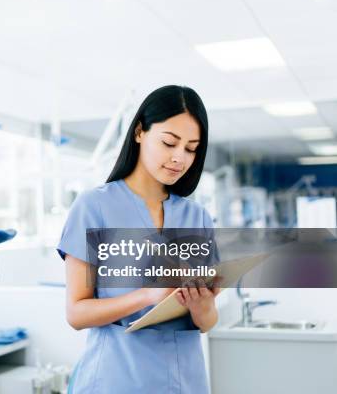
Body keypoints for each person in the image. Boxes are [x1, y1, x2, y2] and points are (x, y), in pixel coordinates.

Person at [58, 85, 220, 394]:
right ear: (139, 133)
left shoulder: (197, 218)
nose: (179, 158)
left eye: (191, 148)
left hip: (185, 381)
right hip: (115, 380)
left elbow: (207, 322)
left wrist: (202, 305)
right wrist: (147, 296)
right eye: (169, 143)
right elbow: (76, 314)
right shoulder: (94, 208)